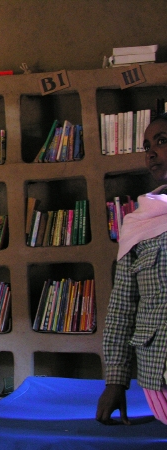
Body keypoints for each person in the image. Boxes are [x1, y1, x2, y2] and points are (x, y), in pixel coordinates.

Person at [96, 112, 167, 425]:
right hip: (159, 375)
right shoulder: (138, 223)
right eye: (147, 146)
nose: (151, 152)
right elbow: (122, 306)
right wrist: (116, 381)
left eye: (161, 141)